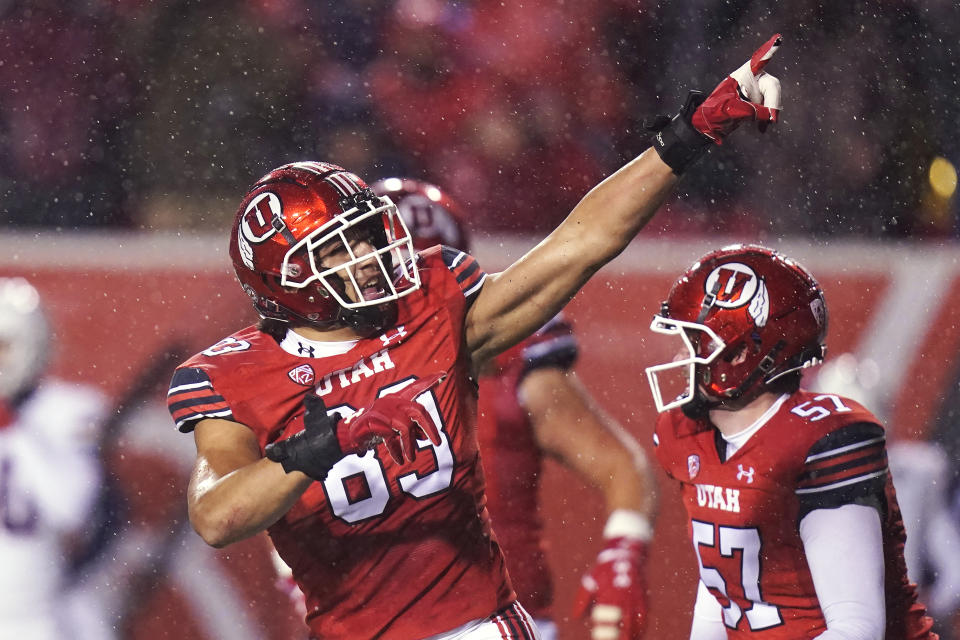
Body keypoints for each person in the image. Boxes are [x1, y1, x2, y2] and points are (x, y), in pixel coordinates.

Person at [166, 34, 784, 640]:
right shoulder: (236, 376)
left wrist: (688, 136)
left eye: (368, 236)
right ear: (290, 277)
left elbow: (579, 245)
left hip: (476, 626)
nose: (370, 255)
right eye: (342, 248)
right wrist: (311, 451)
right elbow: (217, 516)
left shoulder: (431, 309)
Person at [368, 177, 659, 640]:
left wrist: (622, 554)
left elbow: (620, 466)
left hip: (493, 622)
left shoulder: (516, 356)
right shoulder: (321, 361)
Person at [643, 244, 938, 639]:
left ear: (744, 352)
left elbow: (857, 629)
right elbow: (725, 590)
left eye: (697, 341)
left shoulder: (818, 440)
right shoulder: (688, 435)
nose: (682, 354)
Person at [0, 277, 109, 639]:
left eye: (2, 346)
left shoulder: (71, 410)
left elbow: (70, 507)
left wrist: (13, 427)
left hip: (40, 616)